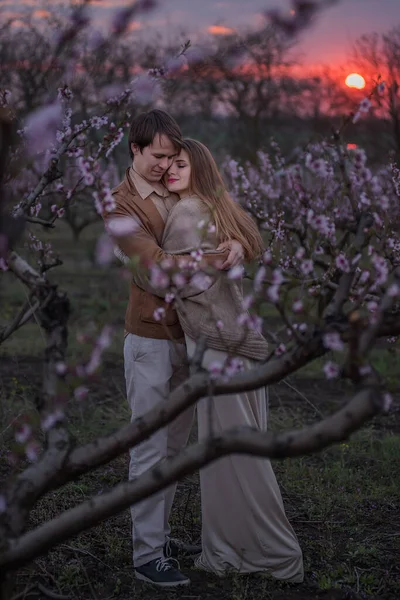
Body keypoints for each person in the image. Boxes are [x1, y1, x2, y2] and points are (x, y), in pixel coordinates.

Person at [149, 139, 304, 581]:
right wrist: (234, 243)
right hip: (240, 346)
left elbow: (163, 276)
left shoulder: (185, 213)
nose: (171, 171)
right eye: (168, 164)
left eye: (181, 164)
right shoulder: (215, 208)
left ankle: (263, 553)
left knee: (230, 459)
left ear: (199, 168)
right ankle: (250, 544)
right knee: (243, 453)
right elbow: (242, 242)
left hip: (216, 349)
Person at [104, 110, 244, 588]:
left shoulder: (186, 189)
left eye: (171, 157)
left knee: (174, 444)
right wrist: (213, 258)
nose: (166, 165)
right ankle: (146, 556)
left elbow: (234, 227)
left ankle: (159, 536)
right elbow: (154, 268)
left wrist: (238, 246)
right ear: (135, 150)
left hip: (193, 335)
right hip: (150, 338)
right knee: (148, 448)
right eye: (158, 156)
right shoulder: (120, 207)